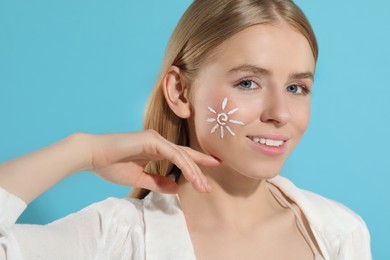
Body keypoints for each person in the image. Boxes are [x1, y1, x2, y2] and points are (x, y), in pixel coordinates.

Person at [0, 0, 372, 259]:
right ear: (180, 92)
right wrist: (83, 150)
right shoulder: (115, 237)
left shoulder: (339, 233)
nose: (280, 113)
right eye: (248, 83)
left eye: (297, 88)